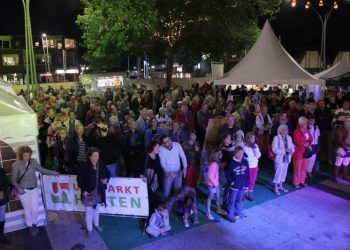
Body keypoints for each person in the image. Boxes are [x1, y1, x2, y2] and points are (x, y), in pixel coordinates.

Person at [11, 146, 59, 236]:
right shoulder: (16, 165)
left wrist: (54, 173)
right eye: (25, 155)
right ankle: (30, 226)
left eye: (28, 155)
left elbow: (42, 170)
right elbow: (13, 180)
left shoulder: (33, 161)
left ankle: (34, 223)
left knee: (35, 209)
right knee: (27, 210)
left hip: (34, 189)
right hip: (23, 191)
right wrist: (19, 189)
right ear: (21, 155)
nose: (27, 157)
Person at [77, 147, 110, 237]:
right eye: (94, 156)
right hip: (89, 192)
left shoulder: (101, 164)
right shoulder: (84, 165)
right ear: (89, 156)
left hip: (99, 191)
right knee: (89, 210)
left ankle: (96, 224)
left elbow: (108, 173)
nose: (96, 158)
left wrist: (106, 179)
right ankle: (89, 229)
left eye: (97, 155)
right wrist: (83, 190)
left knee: (96, 209)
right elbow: (79, 179)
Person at [133, 141, 163, 215]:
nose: (159, 149)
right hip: (145, 182)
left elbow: (158, 169)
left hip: (154, 182)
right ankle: (146, 215)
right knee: (146, 199)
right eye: (157, 147)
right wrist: (141, 176)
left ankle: (152, 214)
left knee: (152, 199)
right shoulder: (144, 156)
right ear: (152, 148)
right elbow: (135, 166)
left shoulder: (157, 157)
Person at [159, 135, 187, 200]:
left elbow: (183, 156)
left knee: (178, 190)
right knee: (166, 192)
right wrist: (169, 172)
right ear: (163, 144)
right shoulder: (160, 149)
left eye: (168, 140)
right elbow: (162, 163)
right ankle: (164, 207)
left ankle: (178, 207)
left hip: (178, 171)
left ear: (170, 139)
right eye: (165, 142)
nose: (168, 143)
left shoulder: (177, 145)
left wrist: (185, 168)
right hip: (168, 172)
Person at [226, 146, 250, 223]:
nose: (240, 154)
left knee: (239, 199)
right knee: (232, 201)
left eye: (242, 153)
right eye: (239, 153)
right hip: (234, 186)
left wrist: (246, 185)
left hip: (242, 185)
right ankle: (230, 216)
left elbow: (247, 174)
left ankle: (239, 212)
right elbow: (228, 174)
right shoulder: (232, 163)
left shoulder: (245, 161)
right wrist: (231, 182)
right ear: (235, 153)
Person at [271, 125, 295, 195]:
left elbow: (292, 146)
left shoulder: (289, 138)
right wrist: (285, 150)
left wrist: (292, 150)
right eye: (285, 129)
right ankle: (275, 187)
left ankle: (281, 186)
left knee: (284, 173)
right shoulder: (276, 138)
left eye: (287, 129)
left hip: (287, 158)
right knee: (278, 173)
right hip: (280, 159)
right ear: (281, 130)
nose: (287, 130)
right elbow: (274, 149)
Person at [292, 117, 313, 188]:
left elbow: (311, 138)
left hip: (305, 153)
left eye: (306, 123)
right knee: (297, 168)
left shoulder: (307, 130)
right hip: (298, 153)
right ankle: (296, 183)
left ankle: (302, 181)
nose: (306, 124)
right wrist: (306, 143)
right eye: (304, 123)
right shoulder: (296, 131)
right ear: (300, 124)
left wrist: (308, 143)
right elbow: (297, 141)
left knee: (304, 168)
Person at [206, 150, 226, 220]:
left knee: (218, 196)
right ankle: (208, 213)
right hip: (212, 185)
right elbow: (210, 176)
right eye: (220, 154)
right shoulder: (213, 164)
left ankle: (218, 209)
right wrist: (214, 184)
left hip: (216, 184)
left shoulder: (216, 163)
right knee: (210, 198)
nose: (222, 155)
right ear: (217, 155)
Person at [242, 132, 261, 201]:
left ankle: (249, 194)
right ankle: (243, 194)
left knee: (252, 181)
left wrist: (254, 148)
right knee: (246, 181)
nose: (253, 139)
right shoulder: (244, 146)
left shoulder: (255, 146)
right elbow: (245, 157)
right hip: (247, 166)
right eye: (251, 137)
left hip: (254, 166)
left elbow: (258, 155)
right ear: (247, 138)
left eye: (253, 138)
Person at [334, 116, 350, 182]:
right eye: (346, 121)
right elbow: (340, 141)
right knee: (338, 163)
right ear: (344, 122)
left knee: (346, 163)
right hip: (341, 148)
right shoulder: (340, 129)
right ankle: (335, 177)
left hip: (349, 148)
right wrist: (346, 148)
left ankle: (344, 176)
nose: (347, 123)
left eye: (349, 121)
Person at [0, 167, 10, 244]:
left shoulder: (1, 170)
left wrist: (2, 191)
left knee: (1, 217)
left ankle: (1, 235)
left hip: (2, 198)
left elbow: (6, 182)